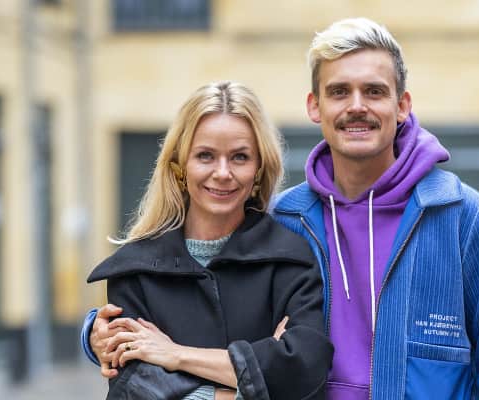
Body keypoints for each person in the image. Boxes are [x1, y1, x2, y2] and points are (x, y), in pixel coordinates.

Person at [84, 18, 479, 399]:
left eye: (374, 91)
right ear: (314, 106)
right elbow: (197, 288)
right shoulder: (288, 219)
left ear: (403, 105)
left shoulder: (463, 217)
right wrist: (96, 332)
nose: (356, 106)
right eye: (339, 91)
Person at [84, 81, 333, 399]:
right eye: (205, 156)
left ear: (259, 168)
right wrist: (249, 382)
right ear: (180, 166)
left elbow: (304, 372)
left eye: (240, 157)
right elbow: (134, 390)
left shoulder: (291, 259)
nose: (223, 172)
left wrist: (175, 355)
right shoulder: (135, 271)